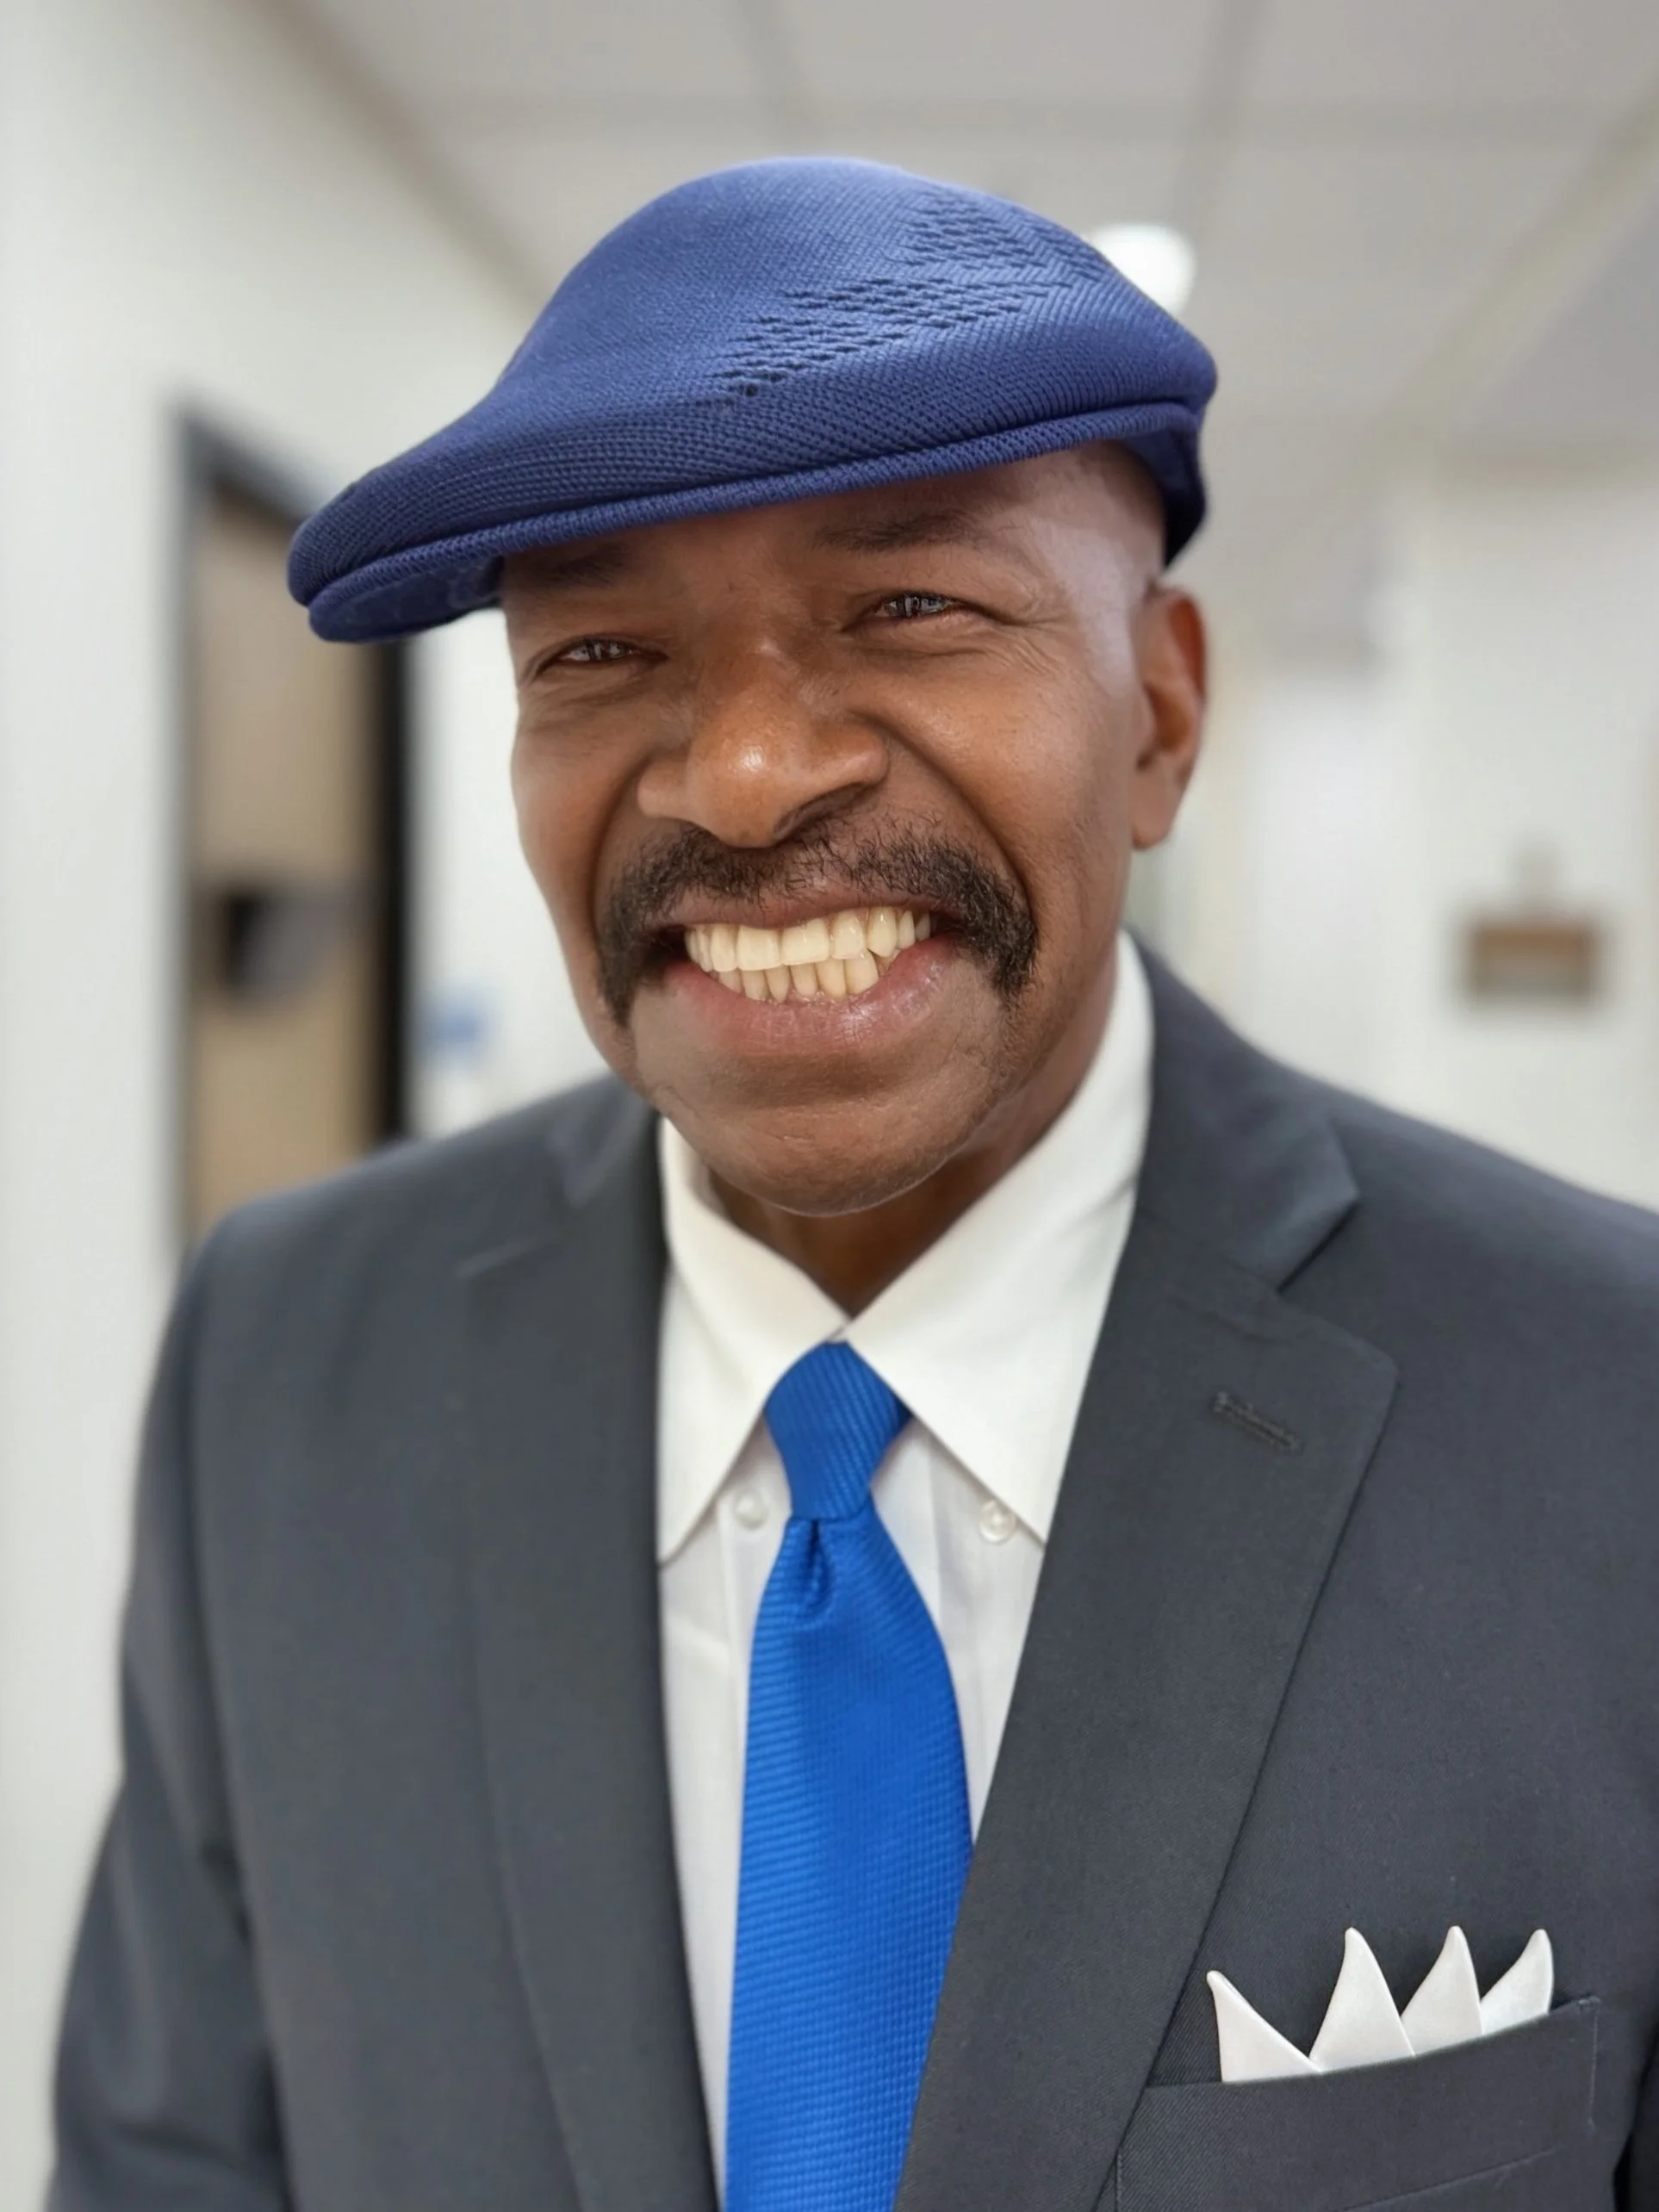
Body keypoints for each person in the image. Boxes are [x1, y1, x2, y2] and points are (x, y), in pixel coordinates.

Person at [48, 158, 1659, 2212]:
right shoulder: (283, 1363)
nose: (742, 775)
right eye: (602, 651)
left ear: (1159, 710)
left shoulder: (1612, 1409)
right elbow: (166, 2155)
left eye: (913, 608)